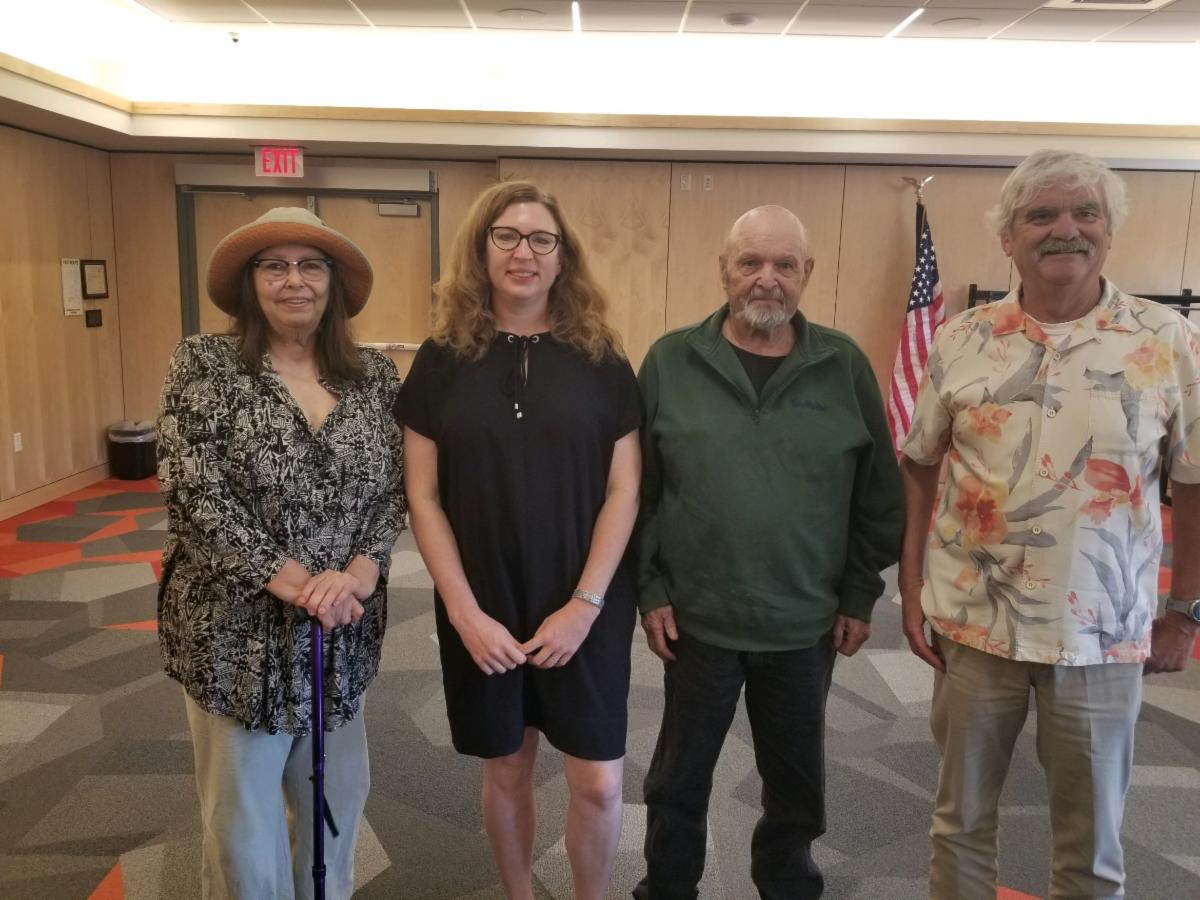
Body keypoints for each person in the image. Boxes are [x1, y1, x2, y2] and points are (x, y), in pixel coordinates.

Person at [899, 149, 1200, 899]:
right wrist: (909, 588)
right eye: (1041, 215)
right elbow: (920, 464)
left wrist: (1186, 612)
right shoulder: (962, 338)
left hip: (1104, 633)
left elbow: (1194, 483)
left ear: (1109, 230)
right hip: (975, 624)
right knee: (959, 824)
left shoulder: (1166, 341)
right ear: (1008, 237)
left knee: (1091, 843)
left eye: (1084, 213)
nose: (1066, 229)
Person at [634, 205, 904, 899]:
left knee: (795, 787)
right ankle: (667, 889)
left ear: (806, 272)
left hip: (805, 624)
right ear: (724, 270)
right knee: (677, 782)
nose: (767, 279)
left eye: (785, 264)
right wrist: (650, 588)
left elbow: (879, 497)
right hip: (696, 621)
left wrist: (859, 594)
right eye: (750, 262)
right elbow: (638, 491)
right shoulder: (670, 360)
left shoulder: (843, 365)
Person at [399, 181, 641, 900]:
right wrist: (465, 614)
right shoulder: (441, 359)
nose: (523, 252)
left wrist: (585, 606)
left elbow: (626, 489)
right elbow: (423, 496)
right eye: (505, 236)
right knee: (506, 764)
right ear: (481, 250)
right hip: (483, 598)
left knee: (598, 780)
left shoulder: (602, 357)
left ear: (563, 257)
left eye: (541, 239)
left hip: (585, 595)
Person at [157, 206, 405, 900]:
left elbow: (398, 487)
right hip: (236, 637)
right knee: (243, 826)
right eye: (274, 266)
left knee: (335, 803)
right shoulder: (205, 364)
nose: (294, 280)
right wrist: (297, 583)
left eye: (310, 265)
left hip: (341, 631)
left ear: (333, 283)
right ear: (251, 282)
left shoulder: (375, 376)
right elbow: (193, 491)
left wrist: (359, 574)